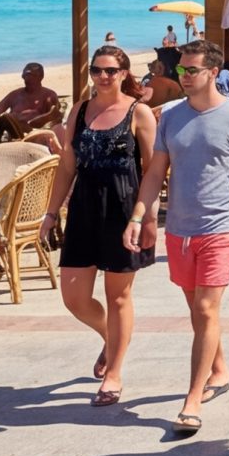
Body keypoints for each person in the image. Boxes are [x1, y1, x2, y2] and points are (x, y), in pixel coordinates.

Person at [128, 39, 229, 434]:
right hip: (180, 229)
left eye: (192, 70)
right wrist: (140, 215)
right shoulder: (171, 118)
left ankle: (191, 399)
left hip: (220, 226)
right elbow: (155, 173)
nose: (183, 77)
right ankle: (219, 370)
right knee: (198, 311)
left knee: (205, 310)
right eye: (181, 70)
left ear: (213, 73)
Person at [43, 46, 158, 407]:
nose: (103, 77)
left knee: (118, 295)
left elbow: (154, 171)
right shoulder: (78, 111)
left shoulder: (139, 113)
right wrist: (50, 214)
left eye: (110, 70)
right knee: (74, 298)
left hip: (124, 211)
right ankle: (111, 337)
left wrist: (147, 217)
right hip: (83, 209)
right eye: (97, 70)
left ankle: (114, 373)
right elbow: (66, 167)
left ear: (124, 73)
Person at [0, 63, 63, 137]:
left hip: (32, 132)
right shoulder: (15, 95)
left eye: (33, 75)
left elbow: (55, 116)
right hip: (9, 129)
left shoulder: (48, 95)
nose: (29, 78)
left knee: (5, 118)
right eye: (27, 75)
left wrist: (32, 122)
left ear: (41, 77)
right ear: (23, 76)